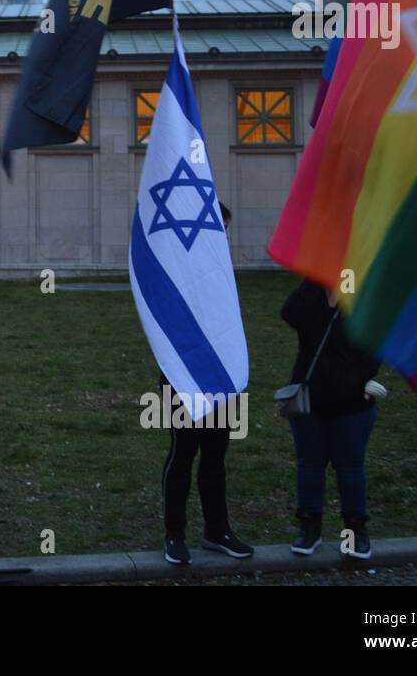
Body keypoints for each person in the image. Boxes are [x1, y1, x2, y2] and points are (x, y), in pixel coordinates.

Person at [160, 202, 253, 565]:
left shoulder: (221, 269)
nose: (224, 237)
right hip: (182, 378)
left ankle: (217, 531)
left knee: (215, 457)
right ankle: (174, 534)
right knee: (182, 455)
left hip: (220, 377)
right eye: (220, 228)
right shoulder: (178, 265)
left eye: (226, 230)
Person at [281, 280, 382, 559]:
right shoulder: (311, 296)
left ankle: (356, 532)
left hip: (352, 402)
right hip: (310, 400)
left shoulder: (365, 297)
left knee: (350, 468)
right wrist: (313, 280)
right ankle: (309, 530)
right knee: (310, 465)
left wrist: (358, 381)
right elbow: (288, 312)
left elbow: (376, 347)